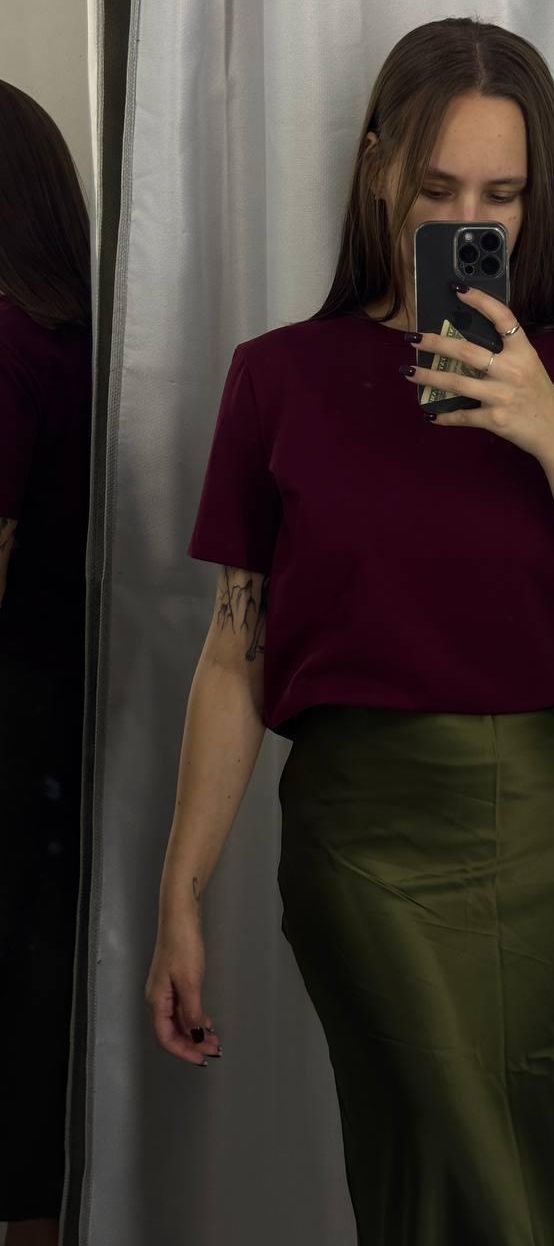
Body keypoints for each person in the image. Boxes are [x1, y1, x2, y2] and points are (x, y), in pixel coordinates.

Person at [145, 16, 554, 1245]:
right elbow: (236, 651)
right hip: (362, 841)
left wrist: (551, 429)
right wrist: (179, 888)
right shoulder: (277, 378)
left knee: (537, 1188)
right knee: (429, 1181)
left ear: (538, 200)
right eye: (438, 187)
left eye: (501, 195)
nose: (467, 219)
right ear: (377, 165)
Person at [0, 81, 93, 1246]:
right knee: (34, 1012)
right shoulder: (73, 337)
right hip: (54, 720)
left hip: (12, 716)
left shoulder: (6, 342)